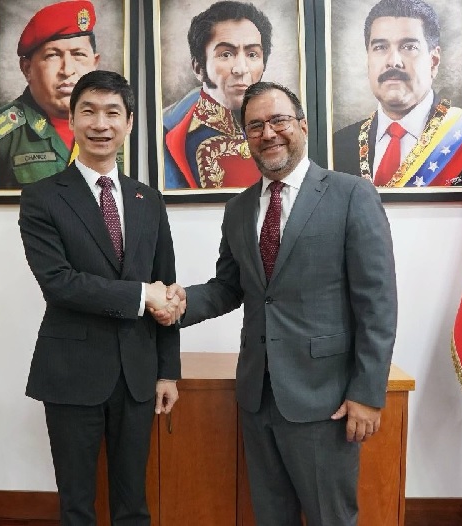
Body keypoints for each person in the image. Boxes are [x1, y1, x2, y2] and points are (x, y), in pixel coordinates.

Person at [155, 82, 397, 526]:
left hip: (325, 399)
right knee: (270, 517)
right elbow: (230, 287)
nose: (268, 133)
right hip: (257, 395)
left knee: (331, 518)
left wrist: (366, 394)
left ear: (302, 126)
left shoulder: (351, 195)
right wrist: (183, 302)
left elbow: (377, 303)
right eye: (255, 126)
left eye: (278, 120)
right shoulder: (238, 208)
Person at [19, 70, 184, 526]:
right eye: (88, 111)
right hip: (71, 373)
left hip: (137, 375)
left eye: (112, 113)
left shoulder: (149, 200)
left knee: (133, 505)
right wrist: (142, 295)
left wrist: (167, 371)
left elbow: (166, 289)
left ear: (128, 123)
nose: (100, 123)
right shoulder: (42, 198)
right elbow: (59, 282)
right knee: (77, 506)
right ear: (72, 119)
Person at [332, 0, 462, 188]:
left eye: (409, 47)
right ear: (368, 60)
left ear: (434, 61)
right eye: (380, 47)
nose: (393, 61)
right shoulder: (338, 145)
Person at [163, 1, 272, 190]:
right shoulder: (173, 134)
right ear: (198, 67)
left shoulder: (280, 123)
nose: (241, 69)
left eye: (252, 54)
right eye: (226, 54)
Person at [0, 0, 100, 190]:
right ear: (27, 68)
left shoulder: (117, 128)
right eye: (53, 55)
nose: (67, 70)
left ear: (95, 63)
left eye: (78, 55)